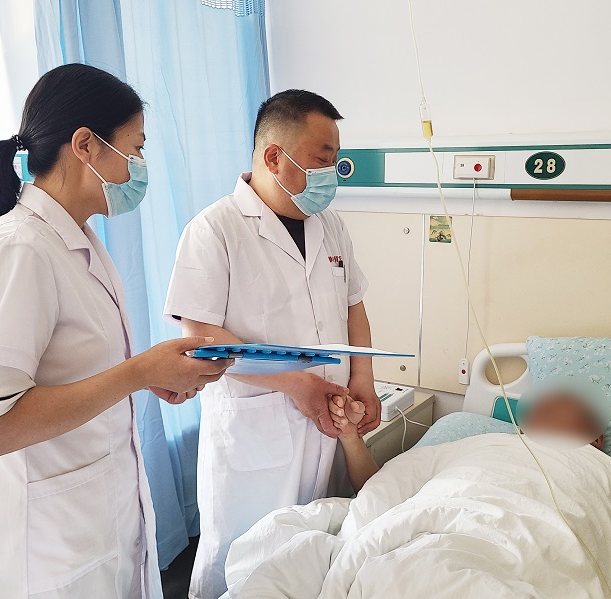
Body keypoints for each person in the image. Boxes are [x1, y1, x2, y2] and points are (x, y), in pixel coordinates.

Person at [0, 63, 231, 598]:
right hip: (44, 556)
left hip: (94, 529)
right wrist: (138, 372)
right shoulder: (17, 248)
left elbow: (75, 370)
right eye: (135, 148)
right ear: (85, 144)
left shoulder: (77, 240)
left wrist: (150, 375)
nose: (140, 166)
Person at [163, 89, 382, 598]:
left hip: (326, 422)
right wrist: (298, 384)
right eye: (321, 160)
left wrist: (364, 380)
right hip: (255, 434)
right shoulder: (214, 229)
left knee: (315, 560)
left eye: (335, 159)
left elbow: (354, 307)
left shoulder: (331, 227)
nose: (331, 173)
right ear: (274, 157)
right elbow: (200, 336)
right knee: (243, 567)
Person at [329, 386, 611, 598]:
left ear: (597, 438)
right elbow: (379, 490)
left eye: (566, 402)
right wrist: (349, 436)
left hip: (540, 553)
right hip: (433, 538)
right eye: (541, 404)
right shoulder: (482, 443)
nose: (547, 403)